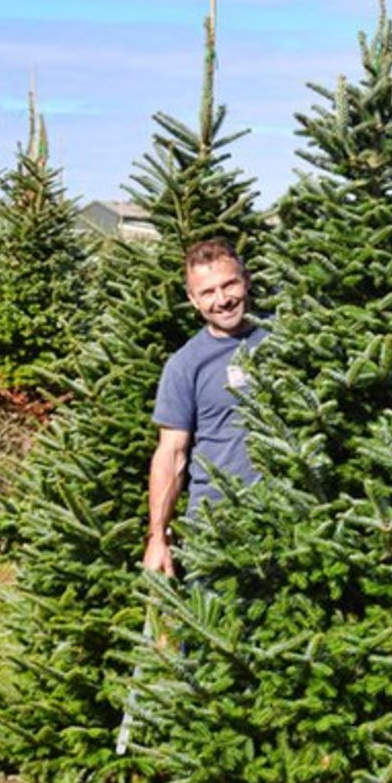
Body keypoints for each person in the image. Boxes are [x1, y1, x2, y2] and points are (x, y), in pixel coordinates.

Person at [142, 238, 267, 576]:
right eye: (208, 292)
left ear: (246, 280)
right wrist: (158, 537)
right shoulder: (185, 365)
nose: (222, 300)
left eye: (229, 285)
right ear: (193, 300)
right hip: (216, 523)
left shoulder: (284, 340)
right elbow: (171, 455)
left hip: (288, 515)